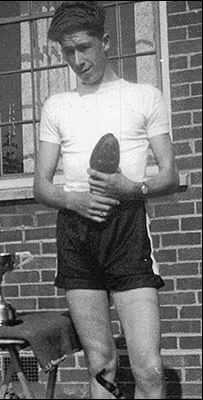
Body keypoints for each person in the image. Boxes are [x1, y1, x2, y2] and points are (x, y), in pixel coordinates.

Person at [33, 2, 179, 399]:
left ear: (106, 42)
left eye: (84, 47)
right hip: (77, 235)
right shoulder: (57, 107)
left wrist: (134, 189)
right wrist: (73, 200)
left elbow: (170, 174)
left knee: (148, 368)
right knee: (101, 363)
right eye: (68, 52)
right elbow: (41, 186)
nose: (78, 60)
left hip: (127, 233)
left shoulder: (143, 96)